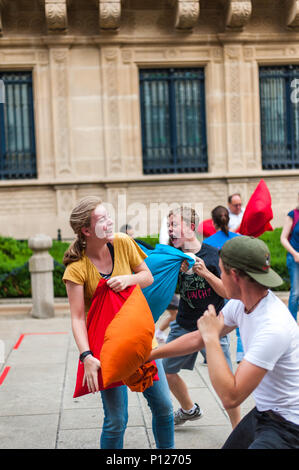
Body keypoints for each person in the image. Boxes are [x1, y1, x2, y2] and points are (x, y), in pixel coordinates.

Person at [149, 236, 299, 449]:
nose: (218, 278)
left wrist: (211, 338)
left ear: (235, 276)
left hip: (290, 427)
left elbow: (231, 396)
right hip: (266, 412)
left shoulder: (273, 326)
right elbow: (197, 337)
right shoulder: (242, 304)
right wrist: (150, 355)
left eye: (220, 271)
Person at [63, 196, 174, 449]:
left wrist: (128, 280)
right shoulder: (76, 269)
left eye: (108, 215)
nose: (110, 222)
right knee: (116, 420)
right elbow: (78, 317)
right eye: (102, 219)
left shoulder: (123, 243)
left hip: (140, 339)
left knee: (164, 407)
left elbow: (147, 276)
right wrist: (86, 356)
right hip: (106, 349)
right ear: (86, 230)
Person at [161, 206, 240, 429]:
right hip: (184, 325)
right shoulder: (174, 256)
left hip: (213, 327)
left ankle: (237, 430)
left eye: (174, 225)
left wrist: (203, 271)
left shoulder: (213, 255)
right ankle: (189, 410)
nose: (170, 229)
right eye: (168, 225)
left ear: (191, 228)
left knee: (226, 384)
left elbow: (227, 292)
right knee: (166, 372)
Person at [204, 206, 244, 363]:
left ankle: (216, 354)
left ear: (213, 223)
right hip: (239, 286)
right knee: (241, 320)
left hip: (219, 288)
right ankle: (242, 354)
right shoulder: (239, 239)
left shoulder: (207, 244)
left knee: (222, 321)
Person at [280, 192, 299, 322]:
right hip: (295, 258)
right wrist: (295, 253)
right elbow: (283, 238)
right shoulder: (293, 215)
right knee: (296, 293)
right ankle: (291, 323)